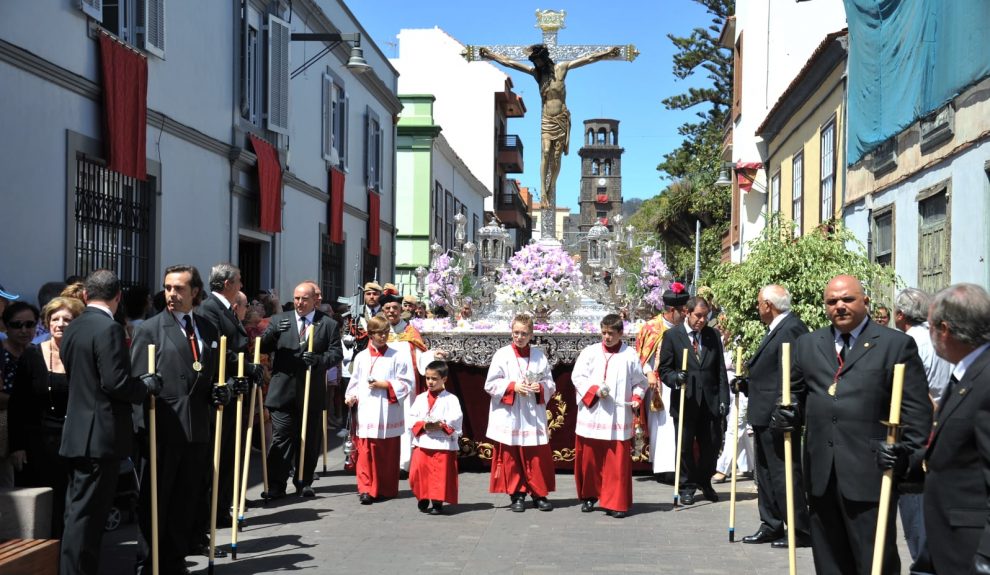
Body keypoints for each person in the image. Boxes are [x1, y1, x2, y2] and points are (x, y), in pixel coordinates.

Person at [781, 275, 931, 574]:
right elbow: (792, 395)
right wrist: (786, 413)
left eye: (847, 299)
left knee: (874, 561)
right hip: (822, 474)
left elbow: (917, 414)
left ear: (865, 301)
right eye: (832, 301)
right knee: (829, 563)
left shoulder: (895, 345)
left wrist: (905, 456)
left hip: (872, 473)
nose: (840, 306)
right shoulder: (808, 345)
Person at [878, 283, 990, 574]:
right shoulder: (964, 373)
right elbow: (956, 453)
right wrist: (906, 459)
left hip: (970, 548)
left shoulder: (985, 381)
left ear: (943, 329)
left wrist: (985, 556)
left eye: (929, 326)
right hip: (944, 541)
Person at [60, 270, 161, 575]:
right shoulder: (109, 329)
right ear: (118, 297)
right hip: (100, 436)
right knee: (88, 517)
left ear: (86, 295)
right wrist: (146, 386)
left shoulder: (74, 326)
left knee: (79, 513)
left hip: (79, 432)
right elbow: (115, 383)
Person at [129, 265, 227, 573]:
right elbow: (136, 383)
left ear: (195, 292)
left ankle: (174, 559)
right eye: (168, 287)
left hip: (197, 426)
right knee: (156, 501)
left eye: (179, 288)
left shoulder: (207, 329)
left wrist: (218, 392)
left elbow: (206, 377)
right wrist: (143, 430)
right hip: (163, 428)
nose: (172, 294)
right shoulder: (150, 328)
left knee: (187, 498)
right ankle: (149, 563)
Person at [479, 43, 621, 220]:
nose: (537, 64)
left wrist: (607, 53)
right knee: (546, 152)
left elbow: (588, 58)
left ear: (545, 58)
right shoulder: (537, 74)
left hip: (561, 119)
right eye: (535, 62)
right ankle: (544, 193)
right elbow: (510, 63)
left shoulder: (562, 68)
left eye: (539, 61)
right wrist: (491, 55)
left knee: (556, 157)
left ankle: (551, 185)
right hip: (547, 119)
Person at [734, 284, 811, 547]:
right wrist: (746, 383)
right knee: (765, 474)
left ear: (769, 304)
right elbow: (770, 371)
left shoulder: (791, 328)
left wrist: (785, 406)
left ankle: (800, 528)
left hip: (778, 415)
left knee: (784, 473)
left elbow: (793, 372)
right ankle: (772, 523)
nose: (757, 307)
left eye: (759, 303)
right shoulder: (777, 328)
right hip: (763, 412)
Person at [9, 296, 84, 536]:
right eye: (55, 319)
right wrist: (17, 446)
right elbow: (18, 405)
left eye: (67, 319)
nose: (60, 323)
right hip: (38, 445)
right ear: (47, 322)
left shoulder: (83, 357)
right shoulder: (31, 356)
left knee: (68, 507)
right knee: (41, 512)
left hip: (73, 443)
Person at [259, 281, 342, 498]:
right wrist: (273, 334)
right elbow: (263, 347)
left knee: (308, 437)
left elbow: (336, 354)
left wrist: (318, 360)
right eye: (296, 298)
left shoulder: (328, 324)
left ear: (315, 299)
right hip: (282, 391)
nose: (299, 303)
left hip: (311, 392)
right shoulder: (279, 320)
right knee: (282, 437)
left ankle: (303, 480)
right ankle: (276, 484)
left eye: (304, 298)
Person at [890, 287, 953, 572]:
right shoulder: (939, 338)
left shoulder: (905, 343)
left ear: (900, 314)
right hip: (942, 424)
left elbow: (914, 391)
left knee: (915, 507)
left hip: (917, 430)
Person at [196, 264, 260, 539]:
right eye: (239, 280)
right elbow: (216, 351)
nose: (242, 284)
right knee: (217, 456)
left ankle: (222, 508)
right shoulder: (209, 310)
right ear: (226, 284)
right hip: (220, 394)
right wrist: (245, 365)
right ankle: (210, 512)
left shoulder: (226, 309)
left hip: (234, 391)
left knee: (229, 456)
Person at [572, 314, 647, 518]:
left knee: (616, 463)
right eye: (604, 333)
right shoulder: (589, 352)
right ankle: (589, 495)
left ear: (620, 333)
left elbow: (641, 382)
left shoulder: (629, 355)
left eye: (611, 334)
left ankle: (615, 502)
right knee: (589, 460)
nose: (607, 337)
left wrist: (637, 398)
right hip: (592, 414)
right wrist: (594, 390)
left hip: (617, 417)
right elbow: (577, 377)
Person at [659, 295, 729, 505]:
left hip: (710, 400)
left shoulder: (712, 335)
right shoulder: (672, 336)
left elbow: (720, 370)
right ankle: (687, 486)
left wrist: (724, 398)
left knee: (711, 444)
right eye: (698, 316)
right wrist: (675, 378)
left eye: (705, 316)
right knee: (685, 446)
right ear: (687, 313)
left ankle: (704, 482)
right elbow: (664, 369)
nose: (702, 320)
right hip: (686, 400)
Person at [484, 314, 556, 512]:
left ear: (531, 334)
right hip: (511, 413)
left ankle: (539, 494)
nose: (519, 337)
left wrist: (540, 387)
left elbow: (550, 384)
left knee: (535, 455)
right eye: (516, 332)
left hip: (532, 413)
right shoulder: (502, 355)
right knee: (512, 454)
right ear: (511, 332)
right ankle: (517, 494)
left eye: (524, 333)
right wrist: (513, 386)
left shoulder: (539, 356)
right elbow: (490, 384)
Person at [345, 316, 413, 504]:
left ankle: (386, 488)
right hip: (367, 411)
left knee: (387, 453)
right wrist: (350, 396)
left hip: (388, 412)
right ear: (370, 334)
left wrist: (385, 385)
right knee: (366, 451)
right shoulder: (361, 357)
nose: (382, 337)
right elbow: (355, 381)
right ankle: (366, 488)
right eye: (378, 333)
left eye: (385, 333)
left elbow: (408, 383)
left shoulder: (398, 355)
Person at [634, 282, 688, 480]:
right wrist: (648, 373)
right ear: (672, 310)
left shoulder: (685, 327)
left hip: (681, 379)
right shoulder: (651, 328)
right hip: (658, 382)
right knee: (663, 426)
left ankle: (678, 464)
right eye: (683, 311)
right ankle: (664, 468)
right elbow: (641, 356)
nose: (686, 314)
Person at [381, 293, 440, 472]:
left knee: (407, 422)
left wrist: (433, 356)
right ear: (383, 311)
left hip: (407, 387)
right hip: (384, 385)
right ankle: (386, 460)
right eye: (387, 309)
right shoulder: (379, 332)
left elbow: (421, 356)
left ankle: (403, 463)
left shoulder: (410, 331)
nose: (391, 312)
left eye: (395, 308)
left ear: (401, 310)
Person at [408, 360, 462, 515]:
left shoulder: (451, 399)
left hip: (441, 443)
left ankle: (437, 502)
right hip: (423, 441)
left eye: (434, 378)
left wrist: (442, 424)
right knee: (418, 472)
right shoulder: (420, 398)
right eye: (427, 378)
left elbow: (456, 417)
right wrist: (423, 425)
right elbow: (412, 417)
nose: (430, 382)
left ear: (444, 379)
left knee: (439, 474)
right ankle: (422, 496)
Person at [712, 317, 754, 484]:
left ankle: (723, 468)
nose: (722, 329)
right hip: (725, 389)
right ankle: (748, 465)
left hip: (740, 389)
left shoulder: (742, 341)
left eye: (725, 326)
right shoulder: (720, 341)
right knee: (738, 429)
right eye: (720, 326)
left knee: (734, 428)